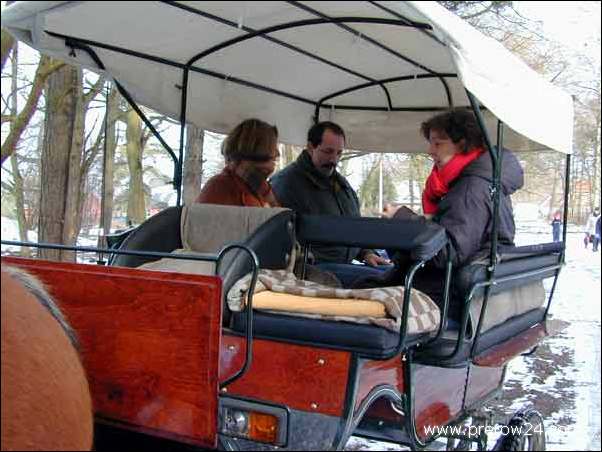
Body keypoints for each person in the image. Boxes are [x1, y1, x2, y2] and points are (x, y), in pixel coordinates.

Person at [359, 109, 524, 322]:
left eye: (438, 143)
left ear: (463, 144)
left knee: (358, 292)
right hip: (455, 287)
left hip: (448, 294)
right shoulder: (479, 182)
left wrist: (402, 219)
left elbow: (447, 253)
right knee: (364, 284)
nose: (430, 150)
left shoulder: (470, 188)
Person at [271, 121, 390, 287]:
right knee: (386, 281)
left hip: (347, 263)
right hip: (313, 269)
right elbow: (280, 237)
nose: (334, 160)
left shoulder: (341, 185)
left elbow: (353, 225)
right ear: (311, 147)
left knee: (395, 273)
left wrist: (366, 253)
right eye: (328, 152)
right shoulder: (286, 184)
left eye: (339, 153)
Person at [195, 118, 280, 207]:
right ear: (257, 149)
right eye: (273, 147)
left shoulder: (260, 188)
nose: (277, 154)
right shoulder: (220, 187)